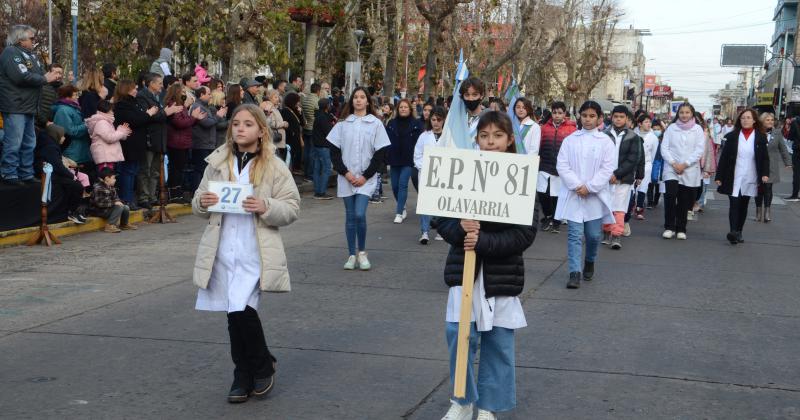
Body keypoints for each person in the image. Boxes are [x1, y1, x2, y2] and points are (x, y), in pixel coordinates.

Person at [192, 104, 300, 403]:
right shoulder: (217, 161)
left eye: (248, 124)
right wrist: (204, 201)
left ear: (261, 131)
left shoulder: (274, 166)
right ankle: (247, 370)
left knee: (241, 309)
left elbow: (291, 207)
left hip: (255, 249)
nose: (240, 128)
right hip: (223, 246)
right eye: (236, 123)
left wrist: (266, 206)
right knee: (233, 311)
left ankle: (255, 368)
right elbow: (197, 203)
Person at [437, 111, 536, 420]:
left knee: (497, 341)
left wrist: (483, 242)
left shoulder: (522, 178)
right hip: (464, 270)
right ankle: (462, 400)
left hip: (500, 274)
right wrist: (461, 228)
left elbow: (523, 234)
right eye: (484, 135)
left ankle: (489, 407)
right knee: (458, 334)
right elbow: (440, 215)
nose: (490, 142)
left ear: (509, 141)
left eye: (497, 136)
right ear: (476, 139)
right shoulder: (462, 171)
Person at [326, 87, 390, 270]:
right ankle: (351, 254)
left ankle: (362, 252)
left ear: (368, 101)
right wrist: (345, 173)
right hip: (346, 177)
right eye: (356, 97)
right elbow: (335, 153)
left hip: (366, 179)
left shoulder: (376, 124)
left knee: (360, 214)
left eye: (362, 97)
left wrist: (365, 176)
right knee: (350, 216)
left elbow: (380, 154)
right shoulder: (342, 124)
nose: (359, 100)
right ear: (351, 101)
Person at [555, 100, 616, 289]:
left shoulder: (605, 141)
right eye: (584, 116)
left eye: (592, 116)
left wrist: (589, 187)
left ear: (599, 118)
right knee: (574, 235)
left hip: (594, 196)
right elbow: (562, 165)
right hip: (574, 195)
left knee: (593, 235)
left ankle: (590, 260)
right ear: (579, 117)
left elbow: (608, 168)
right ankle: (574, 272)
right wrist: (576, 185)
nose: (588, 120)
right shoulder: (570, 140)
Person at [0, 24, 63, 185]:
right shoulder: (10, 53)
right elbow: (22, 77)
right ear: (20, 39)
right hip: (15, 106)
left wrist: (52, 78)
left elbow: (41, 75)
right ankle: (9, 174)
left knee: (29, 143)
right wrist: (44, 79)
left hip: (30, 107)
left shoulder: (31, 55)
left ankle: (26, 173)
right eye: (31, 38)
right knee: (14, 142)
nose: (34, 41)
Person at [716, 109, 769, 244]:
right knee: (734, 203)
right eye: (743, 118)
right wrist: (719, 176)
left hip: (751, 175)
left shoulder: (760, 137)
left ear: (754, 120)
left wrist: (764, 174)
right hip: (734, 175)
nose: (745, 120)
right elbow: (724, 158)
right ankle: (733, 231)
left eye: (748, 118)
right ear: (739, 121)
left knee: (743, 205)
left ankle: (739, 231)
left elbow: (764, 159)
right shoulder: (732, 136)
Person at [660, 103, 705, 240]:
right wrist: (674, 163)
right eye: (681, 112)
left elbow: (699, 150)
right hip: (671, 168)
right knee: (670, 195)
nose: (684, 115)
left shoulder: (698, 129)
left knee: (684, 200)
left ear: (692, 114)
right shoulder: (671, 128)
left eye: (687, 112)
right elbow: (664, 148)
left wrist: (685, 164)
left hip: (689, 168)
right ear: (678, 114)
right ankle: (669, 227)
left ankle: (681, 228)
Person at [113, 79, 160, 209]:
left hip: (138, 142)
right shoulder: (122, 104)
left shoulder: (134, 102)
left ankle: (130, 198)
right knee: (127, 171)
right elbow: (135, 120)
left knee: (133, 171)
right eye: (133, 88)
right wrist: (148, 114)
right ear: (126, 89)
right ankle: (126, 199)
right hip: (129, 143)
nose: (136, 90)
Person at [137, 72, 181, 209]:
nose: (162, 86)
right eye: (159, 83)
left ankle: (152, 196)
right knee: (146, 169)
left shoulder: (157, 97)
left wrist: (167, 112)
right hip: (149, 138)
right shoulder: (142, 96)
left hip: (159, 139)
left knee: (156, 170)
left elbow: (159, 115)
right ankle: (144, 197)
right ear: (151, 83)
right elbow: (148, 116)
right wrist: (165, 113)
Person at [601, 105, 642, 249]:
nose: (618, 120)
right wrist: (607, 175)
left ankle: (617, 234)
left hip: (623, 179)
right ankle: (606, 231)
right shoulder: (603, 134)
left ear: (626, 119)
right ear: (611, 117)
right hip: (605, 178)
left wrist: (617, 174)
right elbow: (599, 157)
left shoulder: (633, 137)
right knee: (606, 206)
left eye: (621, 117)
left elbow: (633, 159)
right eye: (616, 117)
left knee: (619, 207)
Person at [34, 124, 87, 224]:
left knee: (73, 184)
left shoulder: (50, 143)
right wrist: (72, 176)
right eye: (62, 136)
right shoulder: (50, 147)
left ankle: (72, 211)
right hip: (46, 175)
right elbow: (58, 166)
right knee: (77, 186)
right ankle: (72, 211)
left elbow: (58, 165)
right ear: (56, 135)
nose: (64, 138)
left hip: (51, 173)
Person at [537, 101, 577, 234]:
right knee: (543, 193)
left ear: (564, 114)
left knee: (557, 196)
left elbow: (573, 150)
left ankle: (556, 220)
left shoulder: (572, 129)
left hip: (561, 168)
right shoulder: (544, 128)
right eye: (554, 113)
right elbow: (539, 145)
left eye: (560, 113)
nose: (557, 116)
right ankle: (548, 216)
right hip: (544, 165)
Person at [386, 98, 424, 224]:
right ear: (398, 109)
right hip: (394, 158)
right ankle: (402, 206)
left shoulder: (416, 123)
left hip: (409, 159)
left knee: (403, 184)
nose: (403, 109)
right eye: (401, 107)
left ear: (410, 109)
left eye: (405, 107)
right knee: (395, 186)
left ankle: (399, 211)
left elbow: (420, 142)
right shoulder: (391, 123)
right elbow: (385, 140)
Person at [165, 83, 204, 201]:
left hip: (183, 141)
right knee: (176, 169)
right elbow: (180, 123)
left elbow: (187, 122)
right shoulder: (174, 105)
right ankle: (174, 194)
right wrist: (193, 117)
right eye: (182, 92)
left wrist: (194, 118)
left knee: (180, 168)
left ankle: (178, 193)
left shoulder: (182, 105)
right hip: (176, 142)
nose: (184, 94)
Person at [413, 106, 447, 244]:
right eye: (433, 119)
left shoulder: (448, 137)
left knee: (441, 202)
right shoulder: (424, 136)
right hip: (426, 174)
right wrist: (425, 168)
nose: (436, 122)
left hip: (444, 175)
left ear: (444, 120)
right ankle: (425, 231)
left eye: (439, 120)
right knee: (425, 203)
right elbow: (417, 155)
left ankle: (440, 230)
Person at [755, 113, 792, 222]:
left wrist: (788, 162)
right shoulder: (756, 132)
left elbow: (783, 148)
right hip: (758, 164)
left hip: (771, 165)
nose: (770, 122)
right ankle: (758, 212)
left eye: (772, 120)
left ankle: (767, 213)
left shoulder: (777, 133)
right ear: (762, 121)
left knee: (768, 188)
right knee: (759, 189)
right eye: (767, 120)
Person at [190, 86, 227, 193]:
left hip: (208, 143)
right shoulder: (197, 107)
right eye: (208, 93)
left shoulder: (205, 107)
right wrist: (218, 116)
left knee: (205, 170)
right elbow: (207, 123)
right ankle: (196, 193)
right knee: (200, 170)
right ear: (201, 95)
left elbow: (210, 121)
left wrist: (214, 117)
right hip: (201, 144)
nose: (210, 96)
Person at [53, 85, 93, 175]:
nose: (77, 97)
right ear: (67, 97)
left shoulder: (74, 108)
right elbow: (70, 131)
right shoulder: (63, 110)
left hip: (79, 151)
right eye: (75, 95)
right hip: (72, 153)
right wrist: (86, 124)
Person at [86, 100, 132, 172]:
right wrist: (121, 132)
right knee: (106, 179)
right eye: (111, 110)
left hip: (108, 157)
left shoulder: (106, 121)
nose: (113, 112)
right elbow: (109, 138)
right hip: (105, 157)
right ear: (106, 110)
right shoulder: (102, 122)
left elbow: (113, 136)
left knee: (110, 179)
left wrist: (122, 132)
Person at [90, 167, 138, 233]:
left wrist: (119, 202)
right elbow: (100, 204)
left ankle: (124, 224)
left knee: (125, 207)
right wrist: (114, 203)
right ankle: (110, 225)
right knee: (119, 207)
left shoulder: (111, 187)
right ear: (107, 178)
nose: (115, 180)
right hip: (99, 211)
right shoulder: (98, 188)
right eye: (113, 178)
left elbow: (116, 198)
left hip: (108, 209)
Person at [633, 114, 659, 220]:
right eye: (646, 122)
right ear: (640, 124)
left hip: (646, 164)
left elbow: (653, 154)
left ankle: (639, 209)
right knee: (632, 187)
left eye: (649, 122)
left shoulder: (653, 137)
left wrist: (650, 165)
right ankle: (630, 206)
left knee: (643, 186)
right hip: (633, 165)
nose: (649, 124)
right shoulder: (633, 134)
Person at [311, 98, 335, 199]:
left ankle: (317, 191)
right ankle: (321, 192)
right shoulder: (323, 118)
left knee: (317, 168)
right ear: (327, 106)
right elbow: (329, 132)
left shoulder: (319, 116)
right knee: (326, 169)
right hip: (323, 146)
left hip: (316, 145)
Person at [281, 92, 305, 174]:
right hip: (290, 138)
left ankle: (295, 169)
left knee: (296, 153)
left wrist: (300, 113)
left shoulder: (295, 110)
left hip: (296, 137)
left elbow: (303, 123)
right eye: (297, 101)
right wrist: (292, 133)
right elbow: (285, 125)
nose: (298, 103)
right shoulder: (285, 111)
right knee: (290, 155)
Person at [302, 83, 321, 178]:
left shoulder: (305, 99)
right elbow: (318, 114)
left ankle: (305, 171)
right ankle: (310, 174)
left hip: (305, 127)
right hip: (313, 128)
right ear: (318, 91)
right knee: (312, 152)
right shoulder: (316, 100)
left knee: (306, 150)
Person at [35, 63, 64, 129]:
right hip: (39, 125)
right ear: (49, 73)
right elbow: (36, 107)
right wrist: (45, 122)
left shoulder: (61, 89)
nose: (59, 75)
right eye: (56, 72)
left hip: (52, 125)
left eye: (60, 73)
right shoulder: (42, 87)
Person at [264, 89, 289, 161]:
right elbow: (270, 123)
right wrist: (283, 124)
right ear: (270, 98)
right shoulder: (269, 108)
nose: (278, 99)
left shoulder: (276, 108)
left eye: (278, 97)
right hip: (275, 139)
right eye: (275, 97)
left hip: (279, 140)